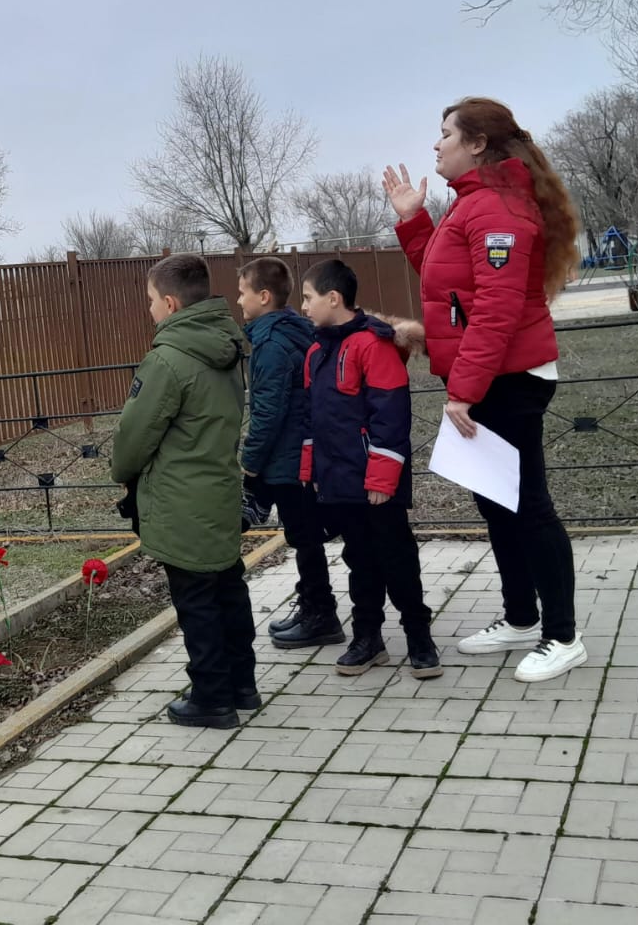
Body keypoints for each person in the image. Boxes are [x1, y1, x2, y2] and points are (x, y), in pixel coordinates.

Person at [384, 97, 585, 683]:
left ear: (476, 143)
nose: (435, 144)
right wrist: (413, 219)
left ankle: (562, 634)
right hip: (486, 378)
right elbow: (450, 284)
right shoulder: (472, 205)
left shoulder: (497, 208)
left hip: (509, 380)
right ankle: (522, 617)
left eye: (444, 133)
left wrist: (463, 390)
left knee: (528, 506)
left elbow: (495, 311)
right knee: (497, 502)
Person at [111, 252, 256, 728]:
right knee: (228, 588)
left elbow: (135, 436)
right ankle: (241, 684)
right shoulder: (228, 347)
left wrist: (122, 471)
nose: (148, 309)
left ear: (170, 304)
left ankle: (212, 697)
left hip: (180, 498)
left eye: (151, 300)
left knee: (196, 600)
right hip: (219, 488)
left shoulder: (168, 360)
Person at [300, 259, 442, 679]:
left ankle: (419, 636)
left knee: (396, 559)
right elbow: (312, 418)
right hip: (339, 481)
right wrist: (311, 469)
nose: (303, 306)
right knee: (359, 559)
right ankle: (368, 638)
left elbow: (391, 416)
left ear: (333, 298)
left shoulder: (372, 345)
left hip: (377, 482)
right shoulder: (316, 352)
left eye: (307, 298)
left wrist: (382, 477)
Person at [236, 256, 344, 650]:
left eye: (243, 292)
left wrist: (250, 463)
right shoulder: (296, 332)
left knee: (304, 536)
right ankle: (316, 607)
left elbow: (268, 411)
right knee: (306, 535)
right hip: (302, 454)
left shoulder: (271, 344)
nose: (239, 301)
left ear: (264, 296)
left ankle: (321, 615)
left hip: (289, 459)